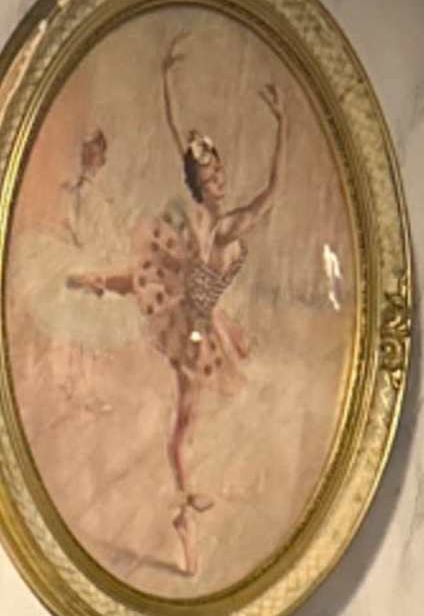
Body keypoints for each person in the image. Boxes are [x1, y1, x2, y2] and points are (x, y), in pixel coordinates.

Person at [68, 35, 289, 577]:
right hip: (190, 323)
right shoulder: (202, 220)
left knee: (186, 403)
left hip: (202, 314)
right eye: (208, 178)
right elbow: (175, 141)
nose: (216, 183)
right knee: (184, 416)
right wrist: (166, 84)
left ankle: (186, 502)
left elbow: (270, 192)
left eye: (219, 177)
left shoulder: (229, 222)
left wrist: (284, 130)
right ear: (197, 182)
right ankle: (185, 507)